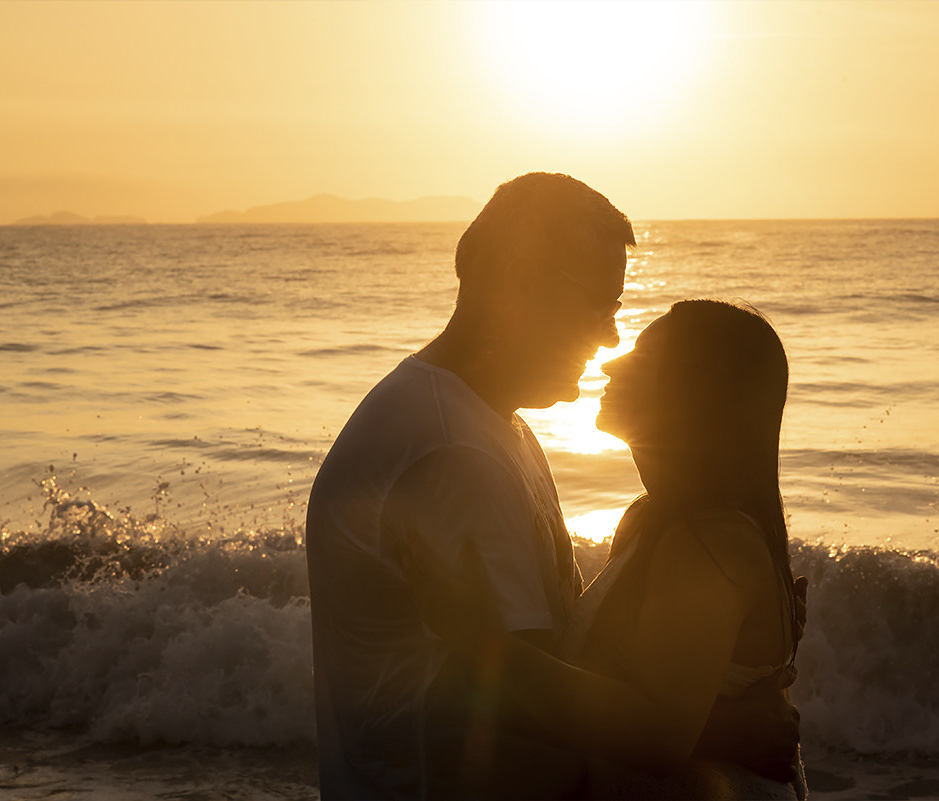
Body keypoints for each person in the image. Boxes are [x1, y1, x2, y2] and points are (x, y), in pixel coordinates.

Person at [305, 172, 633, 799]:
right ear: (520, 287)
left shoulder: (478, 419)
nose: (611, 334)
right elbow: (535, 720)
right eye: (600, 304)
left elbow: (551, 653)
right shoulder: (454, 452)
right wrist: (723, 732)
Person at [402, 299, 810, 799]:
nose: (612, 362)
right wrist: (725, 725)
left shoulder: (710, 547)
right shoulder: (649, 518)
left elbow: (659, 739)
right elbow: (624, 690)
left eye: (641, 358)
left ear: (691, 395)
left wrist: (480, 639)